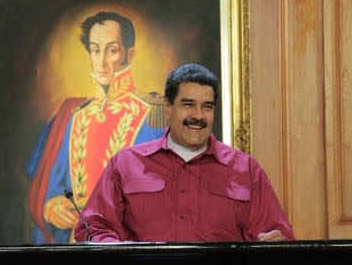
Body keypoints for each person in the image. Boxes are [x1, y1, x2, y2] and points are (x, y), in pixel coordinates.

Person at [74, 63, 295, 242]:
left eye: (207, 106)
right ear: (168, 108)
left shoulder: (246, 170)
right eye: (188, 104)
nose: (198, 115)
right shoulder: (124, 164)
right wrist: (123, 253)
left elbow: (277, 236)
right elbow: (93, 227)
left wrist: (276, 245)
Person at [26, 11, 167, 244]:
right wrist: (51, 208)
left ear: (129, 55)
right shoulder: (71, 116)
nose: (101, 62)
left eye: (111, 50)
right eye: (95, 49)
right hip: (76, 245)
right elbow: (46, 186)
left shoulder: (155, 115)